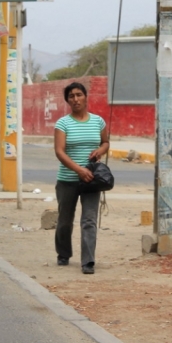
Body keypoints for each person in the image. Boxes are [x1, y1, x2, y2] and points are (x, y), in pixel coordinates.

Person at [53, 82, 109, 275]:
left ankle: (88, 261)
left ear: (86, 97)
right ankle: (63, 253)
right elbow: (60, 152)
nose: (75, 99)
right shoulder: (63, 123)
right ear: (67, 100)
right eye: (71, 96)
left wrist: (100, 150)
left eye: (79, 95)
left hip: (91, 180)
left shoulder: (98, 121)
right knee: (65, 221)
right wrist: (79, 170)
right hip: (68, 179)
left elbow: (106, 142)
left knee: (89, 221)